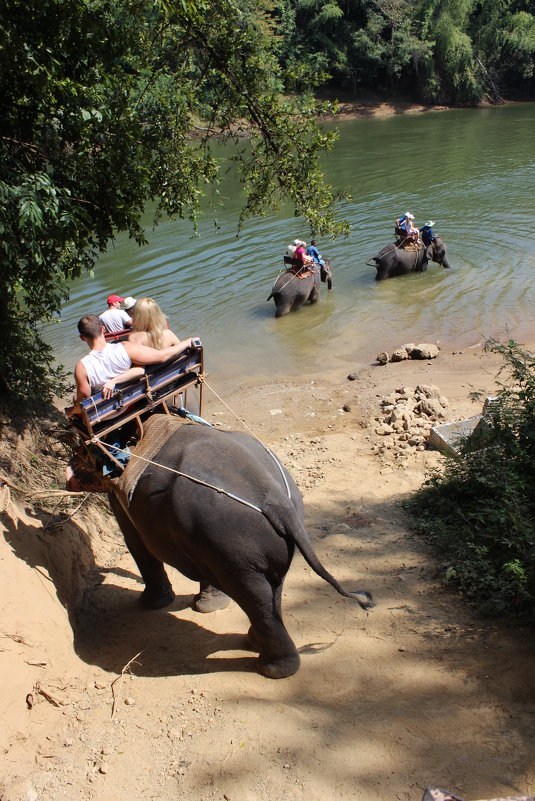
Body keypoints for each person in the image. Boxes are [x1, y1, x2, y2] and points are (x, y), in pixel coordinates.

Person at [66, 314, 198, 418]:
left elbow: (83, 402)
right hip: (132, 402)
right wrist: (186, 343)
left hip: (105, 415)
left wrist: (71, 411)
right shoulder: (125, 348)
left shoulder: (82, 366)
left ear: (82, 338)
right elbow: (161, 356)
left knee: (75, 400)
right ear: (103, 329)